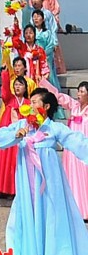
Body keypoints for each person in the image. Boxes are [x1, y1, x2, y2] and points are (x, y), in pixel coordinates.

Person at [0, 88, 88, 255]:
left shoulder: (54, 128)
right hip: (27, 187)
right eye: (31, 101)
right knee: (24, 222)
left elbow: (78, 142)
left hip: (50, 188)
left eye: (36, 102)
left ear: (46, 107)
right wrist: (17, 135)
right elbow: (1, 138)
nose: (31, 105)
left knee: (53, 222)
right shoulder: (22, 125)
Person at [39, 79, 88, 221]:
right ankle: (75, 208)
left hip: (84, 148)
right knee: (72, 175)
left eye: (82, 92)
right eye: (78, 91)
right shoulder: (74, 106)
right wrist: (43, 82)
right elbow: (59, 96)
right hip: (71, 149)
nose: (79, 94)